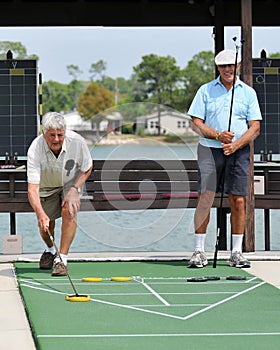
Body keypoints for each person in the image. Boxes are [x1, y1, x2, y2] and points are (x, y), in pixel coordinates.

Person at [187, 49, 262, 269]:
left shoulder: (248, 93)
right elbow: (197, 123)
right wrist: (218, 135)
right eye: (223, 66)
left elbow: (255, 127)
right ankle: (199, 251)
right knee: (205, 198)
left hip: (238, 151)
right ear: (218, 68)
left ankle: (236, 252)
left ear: (238, 66)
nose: (228, 69)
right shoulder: (205, 91)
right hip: (210, 149)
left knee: (238, 199)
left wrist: (236, 144)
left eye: (231, 65)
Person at [27, 112, 93, 276]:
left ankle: (62, 260)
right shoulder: (35, 148)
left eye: (60, 135)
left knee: (68, 210)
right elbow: (32, 188)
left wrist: (75, 189)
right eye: (51, 135)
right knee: (46, 225)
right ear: (44, 133)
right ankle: (50, 250)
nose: (56, 139)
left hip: (70, 184)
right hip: (46, 187)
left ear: (65, 131)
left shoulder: (77, 142)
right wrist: (40, 214)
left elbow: (87, 168)